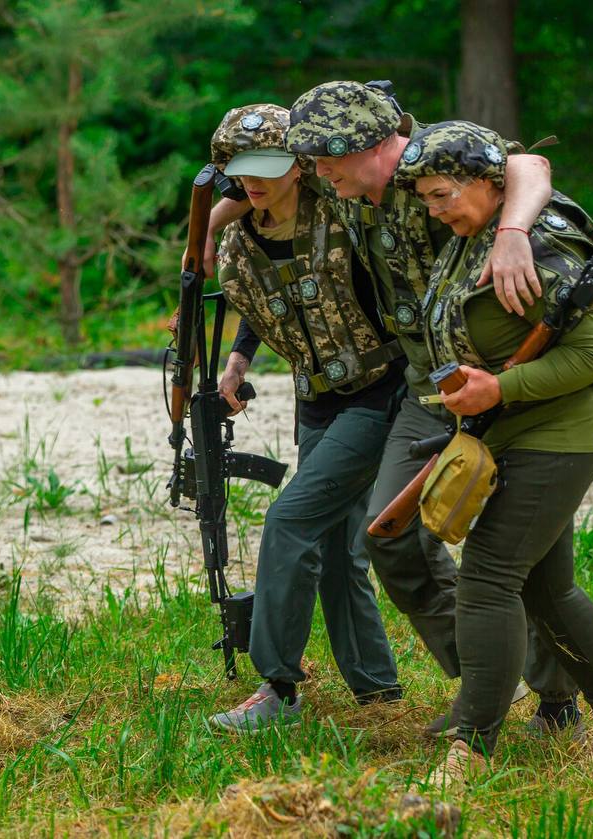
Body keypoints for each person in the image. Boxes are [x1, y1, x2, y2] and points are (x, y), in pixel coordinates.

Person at [281, 81, 586, 740]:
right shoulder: (348, 191)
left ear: (364, 144)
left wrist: (512, 233)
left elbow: (529, 166)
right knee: (390, 534)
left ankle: (560, 703)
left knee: (521, 559)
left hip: (501, 376)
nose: (317, 173)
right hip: (427, 391)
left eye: (323, 159)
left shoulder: (434, 159)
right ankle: (485, 679)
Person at [392, 120, 593, 790]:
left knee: (488, 579)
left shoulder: (539, 244)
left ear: (489, 185)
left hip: (556, 441)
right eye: (425, 199)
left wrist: (501, 386)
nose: (434, 210)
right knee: (548, 589)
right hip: (509, 437)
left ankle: (471, 746)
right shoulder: (471, 238)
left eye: (441, 195)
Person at [204, 104, 405, 732]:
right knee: (342, 551)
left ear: (300, 163)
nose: (253, 181)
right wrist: (237, 360)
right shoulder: (238, 244)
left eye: (268, 167)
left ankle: (278, 687)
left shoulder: (344, 211)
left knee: (291, 519)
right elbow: (271, 304)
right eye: (240, 170)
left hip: (379, 391)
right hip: (314, 399)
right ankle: (377, 691)